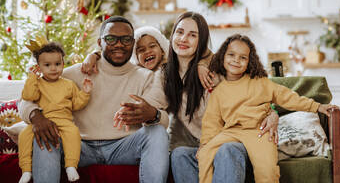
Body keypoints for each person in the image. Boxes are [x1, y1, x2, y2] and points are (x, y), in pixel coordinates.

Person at [114, 12, 279, 183]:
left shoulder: (220, 67)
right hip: (203, 144)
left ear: (201, 41)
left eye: (192, 35)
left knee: (226, 149)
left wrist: (272, 113)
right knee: (179, 154)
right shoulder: (166, 73)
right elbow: (152, 100)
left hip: (236, 139)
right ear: (172, 36)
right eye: (180, 32)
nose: (184, 39)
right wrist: (132, 109)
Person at [18, 16, 170, 183]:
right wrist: (35, 116)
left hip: (123, 147)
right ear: (100, 42)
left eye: (126, 39)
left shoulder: (146, 77)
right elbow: (25, 100)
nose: (119, 44)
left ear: (133, 43)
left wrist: (154, 114)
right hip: (79, 146)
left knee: (157, 132)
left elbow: (163, 120)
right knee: (48, 135)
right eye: (111, 39)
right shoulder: (75, 73)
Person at [197, 34, 337, 183]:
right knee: (205, 153)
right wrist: (205, 143)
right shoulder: (219, 90)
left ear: (249, 62)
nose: (236, 60)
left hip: (260, 131)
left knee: (267, 170)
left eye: (243, 57)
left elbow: (288, 97)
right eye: (231, 54)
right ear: (223, 56)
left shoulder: (260, 83)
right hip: (231, 131)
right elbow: (211, 121)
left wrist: (317, 106)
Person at [18, 41, 93, 183]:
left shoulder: (68, 84)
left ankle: (71, 165)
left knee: (73, 133)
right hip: (43, 122)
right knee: (24, 136)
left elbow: (76, 104)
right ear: (38, 67)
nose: (53, 69)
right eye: (47, 65)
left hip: (64, 121)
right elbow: (29, 96)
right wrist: (32, 77)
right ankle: (26, 170)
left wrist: (85, 93)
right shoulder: (37, 83)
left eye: (57, 64)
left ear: (63, 64)